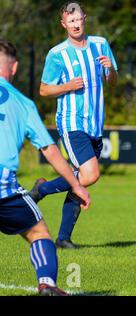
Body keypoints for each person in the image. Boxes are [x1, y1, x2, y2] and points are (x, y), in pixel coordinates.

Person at [0, 40, 91, 295]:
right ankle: (47, 285)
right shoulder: (23, 104)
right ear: (15, 67)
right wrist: (77, 186)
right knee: (38, 232)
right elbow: (50, 150)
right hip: (3, 186)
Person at [28, 2, 118, 249]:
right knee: (90, 174)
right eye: (71, 21)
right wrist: (68, 86)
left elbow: (112, 82)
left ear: (84, 19)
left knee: (81, 179)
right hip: (71, 122)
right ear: (64, 24)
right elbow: (44, 89)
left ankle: (63, 237)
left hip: (96, 125)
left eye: (79, 19)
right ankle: (43, 191)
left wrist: (110, 71)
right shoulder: (57, 54)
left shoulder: (100, 44)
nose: (76, 24)